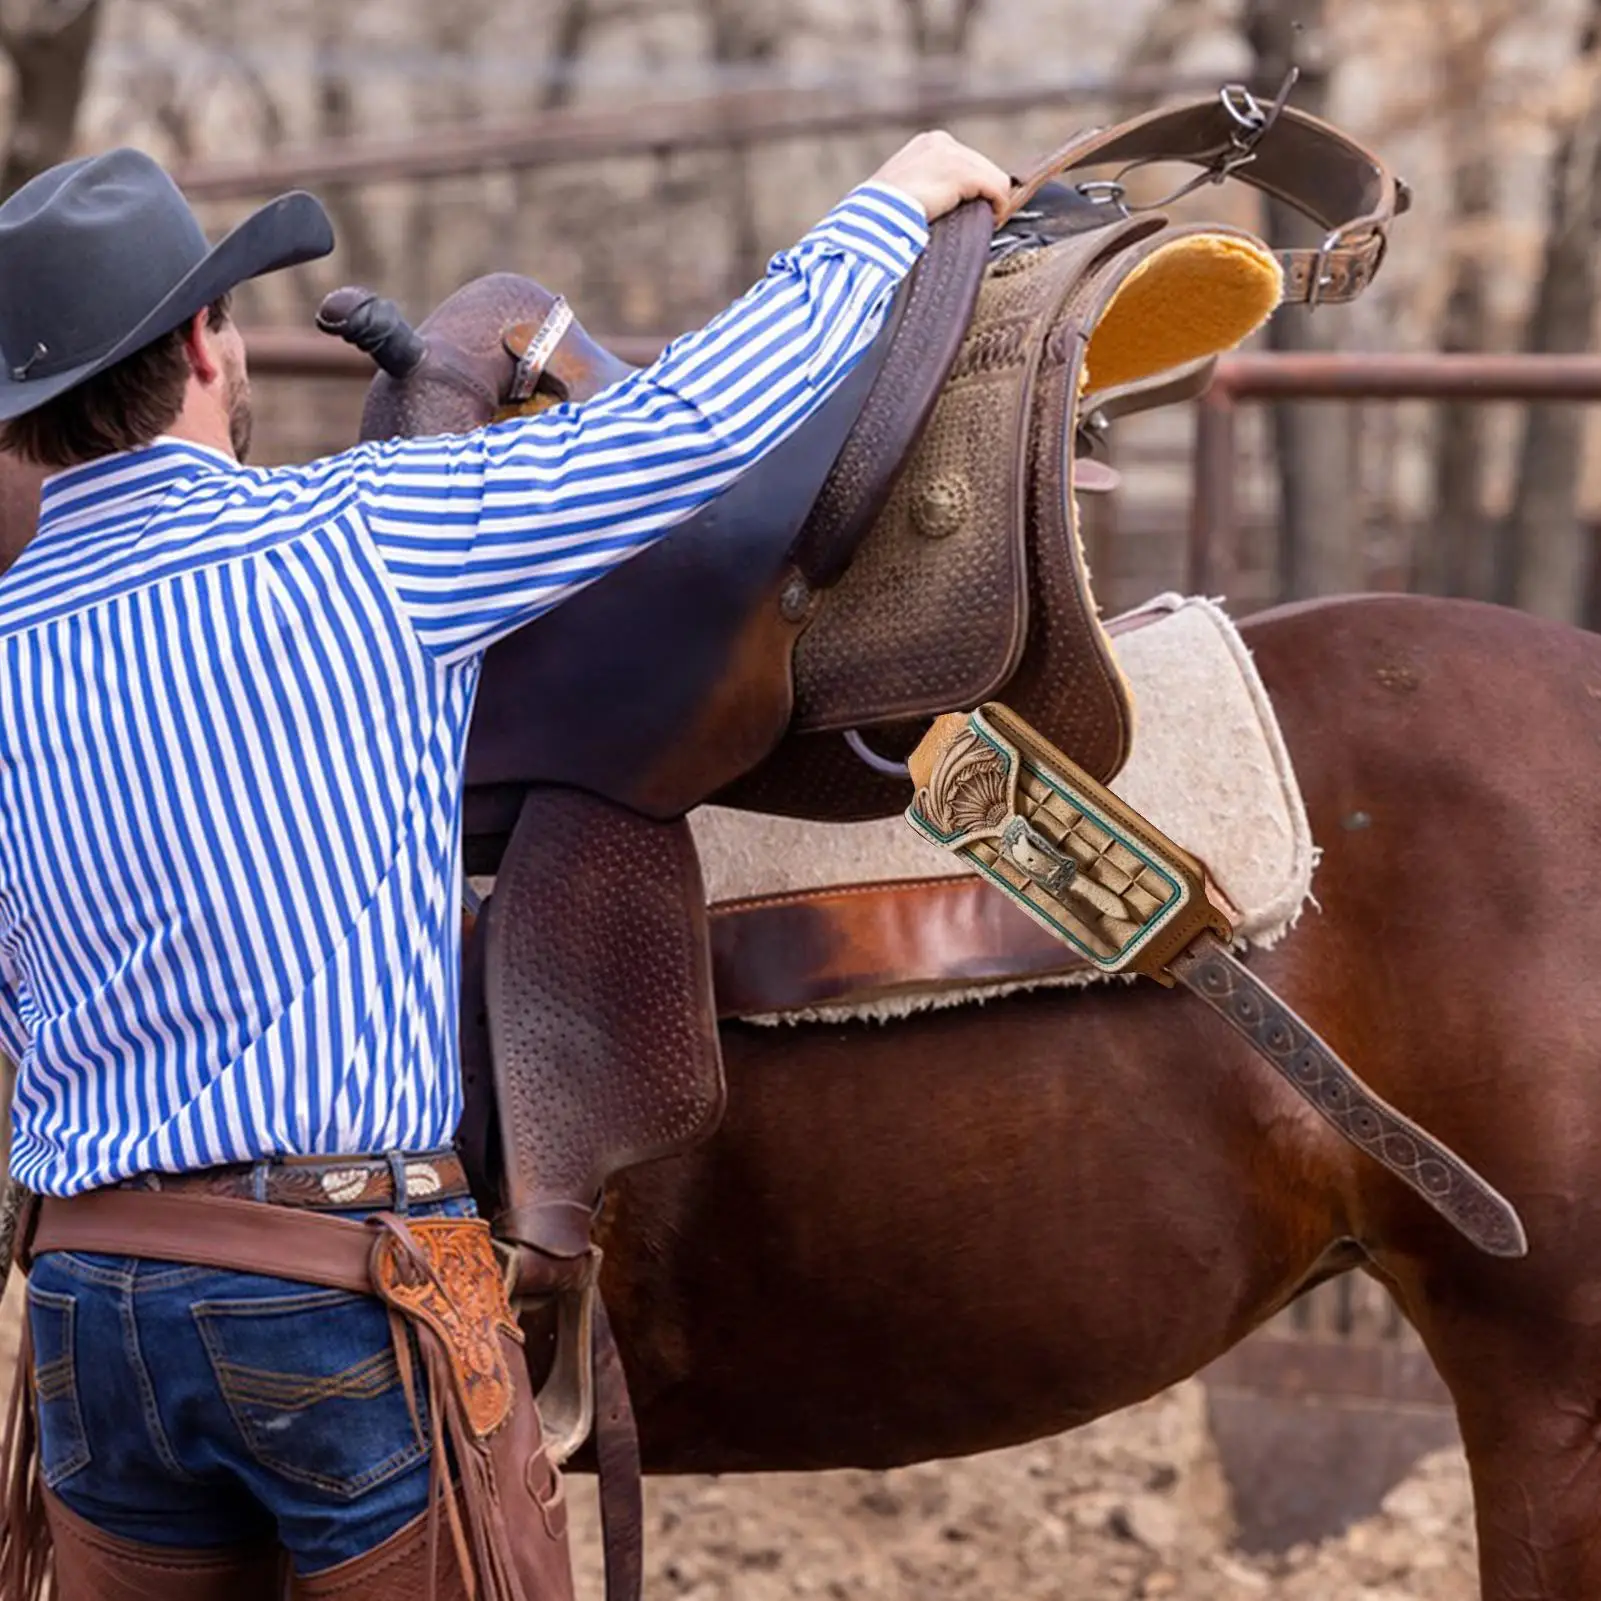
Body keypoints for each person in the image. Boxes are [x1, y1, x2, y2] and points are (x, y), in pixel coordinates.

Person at [0, 131, 1011, 1599]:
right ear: (209, 341)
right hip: (333, 1279)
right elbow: (682, 435)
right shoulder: (357, 546)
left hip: (89, 1294)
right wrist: (887, 207)